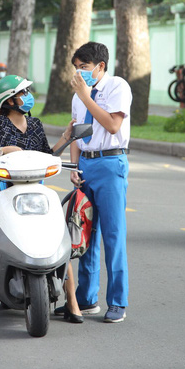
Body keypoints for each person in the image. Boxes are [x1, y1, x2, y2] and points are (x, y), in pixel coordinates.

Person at [0, 74, 76, 324]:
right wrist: (2, 151)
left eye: (27, 91)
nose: (28, 96)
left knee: (58, 240)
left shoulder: (35, 125)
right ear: (9, 100)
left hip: (34, 194)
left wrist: (65, 138)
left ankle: (72, 302)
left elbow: (46, 155)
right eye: (23, 93)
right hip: (1, 192)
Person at [68, 42, 132, 323]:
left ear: (100, 66)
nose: (80, 73)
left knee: (113, 235)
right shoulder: (77, 95)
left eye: (84, 67)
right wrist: (73, 165)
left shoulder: (117, 87)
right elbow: (74, 131)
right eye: (77, 68)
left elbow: (112, 125)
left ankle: (118, 302)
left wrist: (86, 96)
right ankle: (86, 299)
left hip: (110, 163)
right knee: (85, 233)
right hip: (85, 164)